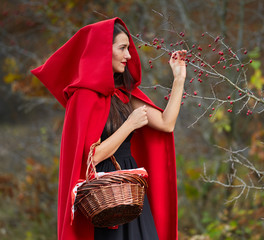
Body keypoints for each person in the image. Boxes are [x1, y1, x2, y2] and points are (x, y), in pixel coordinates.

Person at [31, 17, 186, 240]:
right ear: (104, 50)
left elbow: (166, 123)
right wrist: (129, 125)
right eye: (122, 48)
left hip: (131, 195)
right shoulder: (83, 97)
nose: (129, 56)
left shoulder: (123, 95)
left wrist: (179, 79)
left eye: (128, 49)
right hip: (104, 198)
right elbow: (91, 158)